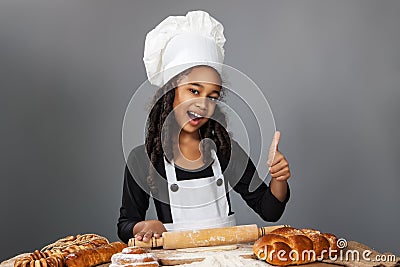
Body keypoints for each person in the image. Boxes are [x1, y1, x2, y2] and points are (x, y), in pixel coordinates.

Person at [117, 10, 291, 244]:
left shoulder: (225, 151)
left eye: (212, 96)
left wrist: (278, 179)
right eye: (194, 90)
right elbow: (125, 225)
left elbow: (269, 211)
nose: (202, 104)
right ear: (172, 90)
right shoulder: (144, 159)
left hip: (227, 259)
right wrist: (144, 225)